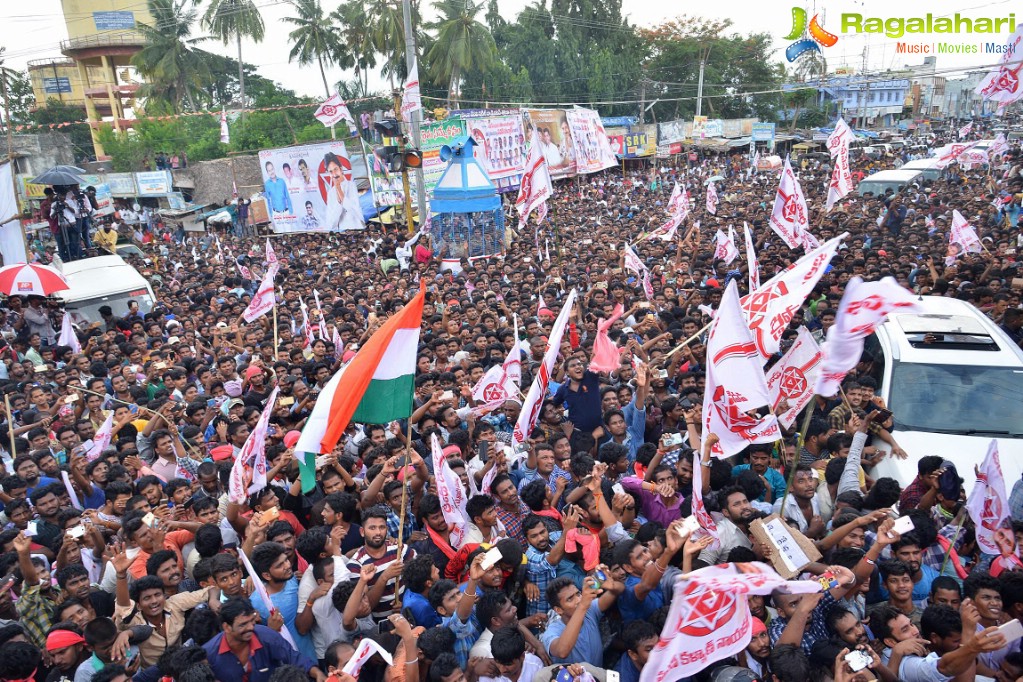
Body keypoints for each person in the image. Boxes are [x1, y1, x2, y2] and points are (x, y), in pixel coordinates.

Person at [323, 153, 363, 232]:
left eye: (336, 169)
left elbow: (355, 211)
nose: (334, 174)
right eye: (330, 171)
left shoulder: (352, 186)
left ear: (341, 169)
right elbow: (331, 224)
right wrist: (339, 202)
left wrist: (339, 190)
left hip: (358, 230)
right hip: (343, 233)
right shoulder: (331, 193)